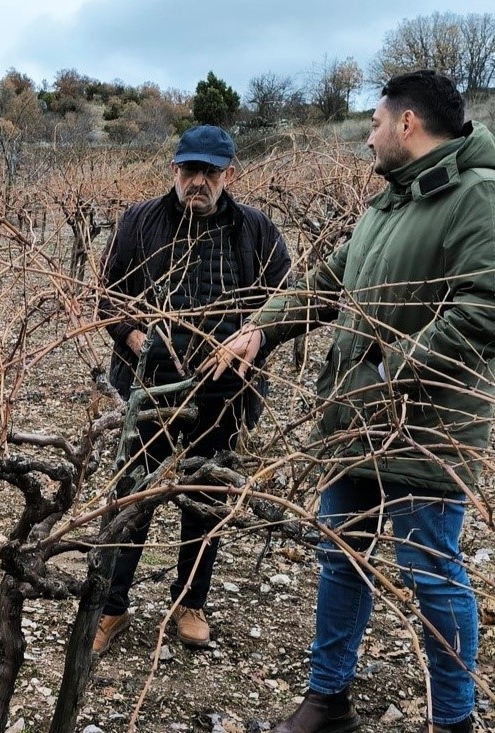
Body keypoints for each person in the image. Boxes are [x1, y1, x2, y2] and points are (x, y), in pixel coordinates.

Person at [205, 71, 491, 733]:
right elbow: (330, 278)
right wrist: (264, 327)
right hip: (353, 423)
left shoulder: (479, 197)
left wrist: (390, 366)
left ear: (407, 124)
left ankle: (453, 718)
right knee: (341, 556)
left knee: (430, 572)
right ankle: (326, 700)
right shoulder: (389, 203)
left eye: (374, 123)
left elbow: (483, 310)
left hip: (427, 431)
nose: (368, 137)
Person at [94, 125, 291, 654]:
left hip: (224, 395)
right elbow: (107, 296)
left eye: (209, 171)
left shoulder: (256, 231)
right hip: (147, 388)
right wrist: (133, 336)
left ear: (230, 174)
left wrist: (256, 335)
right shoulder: (139, 222)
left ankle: (190, 603)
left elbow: (282, 303)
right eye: (189, 170)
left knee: (206, 499)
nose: (197, 181)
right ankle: (111, 608)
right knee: (132, 497)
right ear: (174, 170)